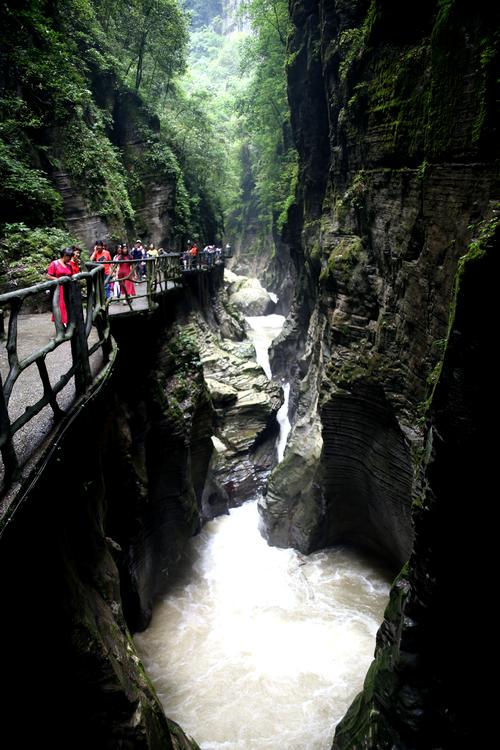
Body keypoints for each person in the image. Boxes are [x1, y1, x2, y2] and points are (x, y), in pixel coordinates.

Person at [47, 247, 74, 326]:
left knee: (68, 306)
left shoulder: (69, 265)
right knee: (59, 307)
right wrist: (58, 280)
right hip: (58, 290)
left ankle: (68, 325)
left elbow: (71, 276)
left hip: (68, 289)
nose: (70, 259)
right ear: (65, 255)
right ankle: (60, 326)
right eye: (69, 257)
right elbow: (48, 276)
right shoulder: (54, 263)